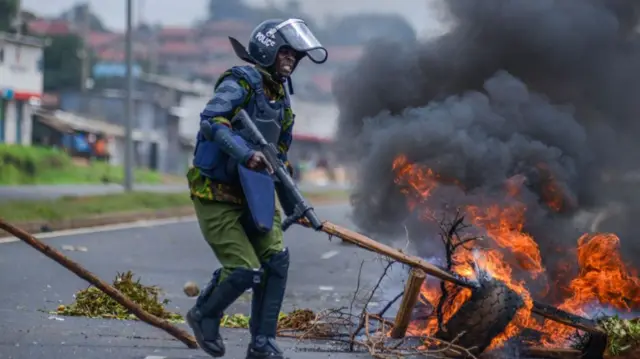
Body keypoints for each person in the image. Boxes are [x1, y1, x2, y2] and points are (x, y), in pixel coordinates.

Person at [185, 18, 328, 359]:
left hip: (257, 194)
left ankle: (262, 342)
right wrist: (245, 154)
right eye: (286, 53)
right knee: (244, 269)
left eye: (296, 56)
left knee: (276, 261)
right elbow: (211, 120)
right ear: (267, 49)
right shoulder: (241, 81)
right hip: (216, 192)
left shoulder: (283, 103)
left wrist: (295, 205)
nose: (291, 60)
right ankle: (204, 314)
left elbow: (279, 160)